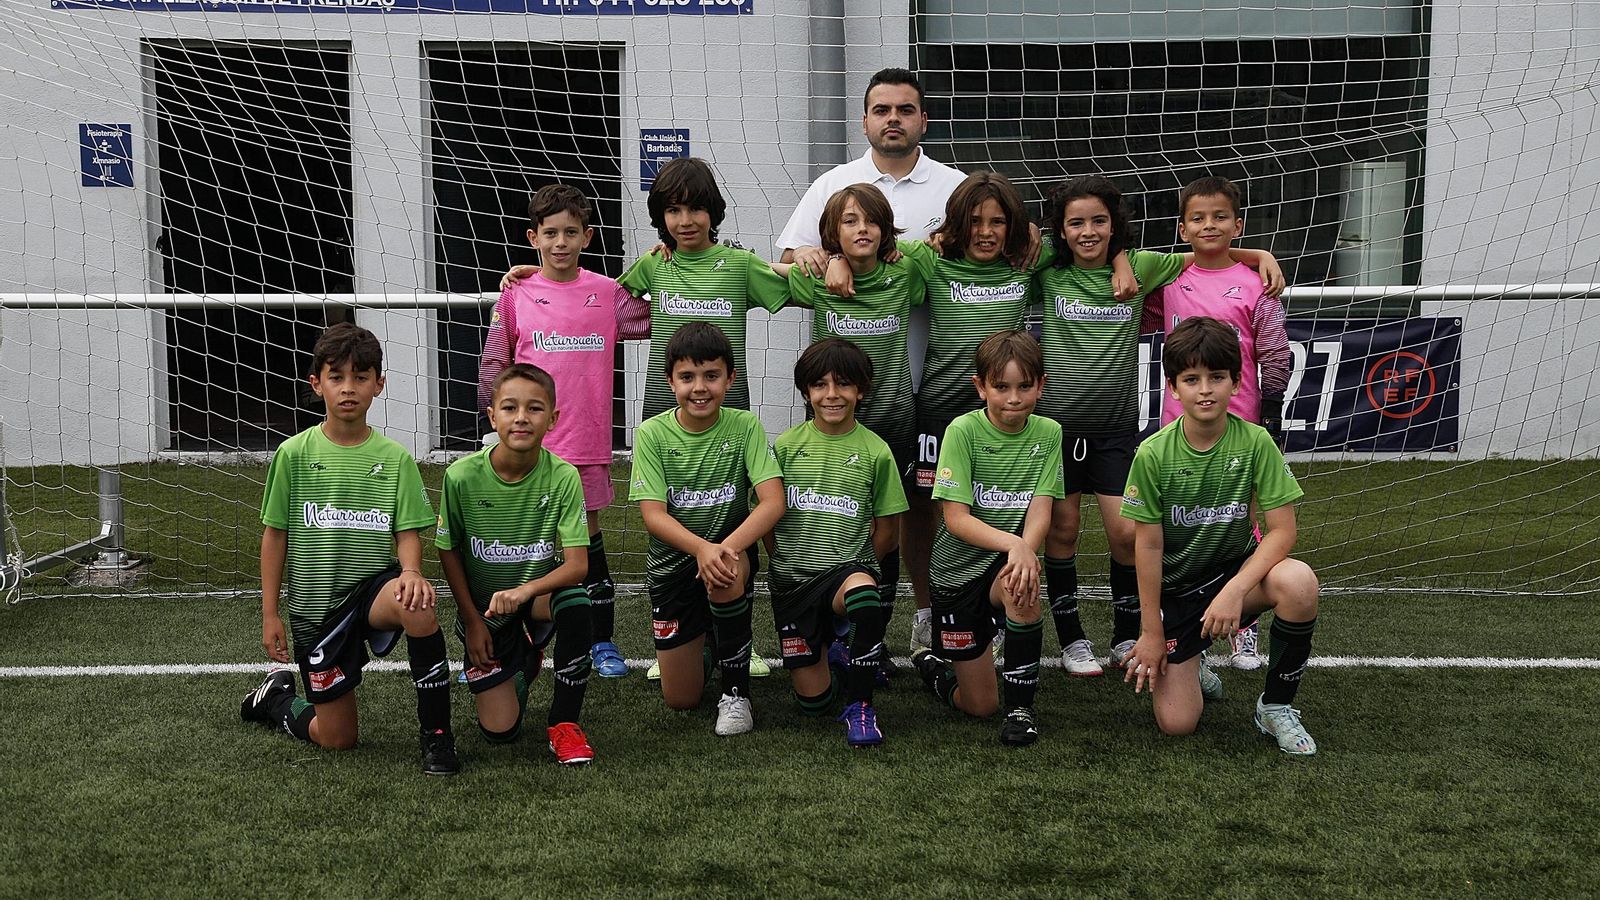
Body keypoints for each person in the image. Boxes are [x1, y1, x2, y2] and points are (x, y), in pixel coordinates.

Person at [1034, 175, 1283, 677]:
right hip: (1056, 428)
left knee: (1128, 534)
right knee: (1061, 531)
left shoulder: (1145, 267)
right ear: (1060, 230)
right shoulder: (1046, 269)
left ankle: (1129, 632)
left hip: (1117, 428)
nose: (1088, 232)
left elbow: (1208, 256)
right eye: (1076, 223)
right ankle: (1072, 639)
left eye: (1099, 222)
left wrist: (1259, 255)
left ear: (1115, 226)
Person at [239, 323, 458, 775]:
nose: (348, 388)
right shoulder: (294, 454)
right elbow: (274, 535)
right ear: (316, 384)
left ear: (379, 384)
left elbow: (408, 530)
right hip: (316, 608)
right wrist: (269, 613)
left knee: (416, 604)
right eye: (336, 377)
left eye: (361, 377)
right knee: (337, 739)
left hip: (370, 592)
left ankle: (437, 738)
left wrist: (412, 572)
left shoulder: (394, 457)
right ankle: (276, 698)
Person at [1120, 316, 1320, 756]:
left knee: (1299, 581)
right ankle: (1194, 659)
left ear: (1236, 381)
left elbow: (1283, 532)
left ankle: (1275, 706)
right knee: (1177, 725)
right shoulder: (1152, 453)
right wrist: (1151, 631)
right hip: (1179, 594)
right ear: (1173, 388)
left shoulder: (1255, 443)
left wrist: (1235, 590)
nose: (1205, 389)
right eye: (1192, 379)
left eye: (1217, 377)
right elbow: (1148, 545)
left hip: (1236, 577)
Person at [478, 183, 650, 680]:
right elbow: (496, 363)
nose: (560, 242)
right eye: (550, 233)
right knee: (528, 541)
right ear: (533, 237)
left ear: (587, 237)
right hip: (530, 446)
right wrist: (495, 425)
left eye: (570, 232)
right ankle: (523, 631)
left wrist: (671, 263)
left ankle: (601, 641)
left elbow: (657, 313)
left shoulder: (607, 293)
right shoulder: (516, 295)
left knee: (588, 545)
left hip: (587, 445)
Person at [1143, 175, 1293, 671]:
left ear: (1238, 224)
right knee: (1179, 528)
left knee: (1238, 525)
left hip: (1240, 423)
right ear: (1182, 228)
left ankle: (1241, 628)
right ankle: (1184, 626)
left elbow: (1272, 348)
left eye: (1220, 217)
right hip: (1177, 425)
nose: (1210, 225)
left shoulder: (1258, 283)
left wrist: (1268, 405)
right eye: (1198, 218)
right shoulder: (1167, 281)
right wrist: (1256, 250)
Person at [783, 183, 926, 645]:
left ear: (885, 229)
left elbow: (950, 247)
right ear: (833, 231)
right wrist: (817, 255)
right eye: (849, 221)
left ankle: (873, 637)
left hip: (894, 424)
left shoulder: (906, 271)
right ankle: (829, 614)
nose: (861, 229)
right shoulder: (817, 277)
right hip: (834, 432)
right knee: (834, 523)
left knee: (888, 533)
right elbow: (761, 271)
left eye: (871, 220)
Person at [629, 322, 786, 735]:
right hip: (673, 567)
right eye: (687, 377)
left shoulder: (744, 426)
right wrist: (700, 548)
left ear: (730, 379)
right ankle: (710, 647)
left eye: (711, 376)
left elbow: (773, 501)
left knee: (726, 572)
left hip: (727, 557)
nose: (699, 387)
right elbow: (653, 515)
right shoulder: (651, 432)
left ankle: (736, 695)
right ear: (670, 381)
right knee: (680, 699)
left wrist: (722, 549)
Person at [911, 330, 1064, 747]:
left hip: (1004, 564)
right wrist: (1015, 545)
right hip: (956, 574)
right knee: (978, 705)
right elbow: (956, 519)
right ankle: (934, 668)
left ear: (1041, 385)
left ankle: (1021, 711)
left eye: (1024, 386)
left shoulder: (1049, 432)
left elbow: (1040, 507)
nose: (1013, 398)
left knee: (1022, 585)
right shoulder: (962, 431)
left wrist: (1024, 550)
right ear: (981, 387)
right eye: (1001, 387)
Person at [438, 364, 597, 765]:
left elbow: (578, 565)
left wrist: (526, 591)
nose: (522, 417)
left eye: (535, 409)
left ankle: (565, 724)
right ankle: (524, 661)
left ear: (553, 419)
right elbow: (448, 550)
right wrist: (472, 621)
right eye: (509, 408)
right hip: (486, 615)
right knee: (501, 733)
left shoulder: (563, 476)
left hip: (535, 599)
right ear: (492, 416)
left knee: (577, 602)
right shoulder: (460, 477)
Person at [767, 338, 908, 747]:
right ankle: (834, 648)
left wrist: (861, 565)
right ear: (806, 392)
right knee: (813, 705)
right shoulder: (786, 447)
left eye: (843, 384)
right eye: (820, 385)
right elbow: (770, 520)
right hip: (794, 583)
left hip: (845, 575)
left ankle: (861, 705)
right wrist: (785, 562)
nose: (832, 395)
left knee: (865, 597)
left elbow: (887, 528)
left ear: (861, 390)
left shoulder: (876, 450)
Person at [620, 157, 791, 421]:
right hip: (664, 413)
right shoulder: (654, 263)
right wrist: (544, 276)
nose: (685, 221)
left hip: (728, 415)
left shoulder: (740, 264)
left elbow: (809, 293)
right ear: (660, 215)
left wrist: (831, 262)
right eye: (673, 210)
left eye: (696, 208)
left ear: (712, 210)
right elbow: (596, 301)